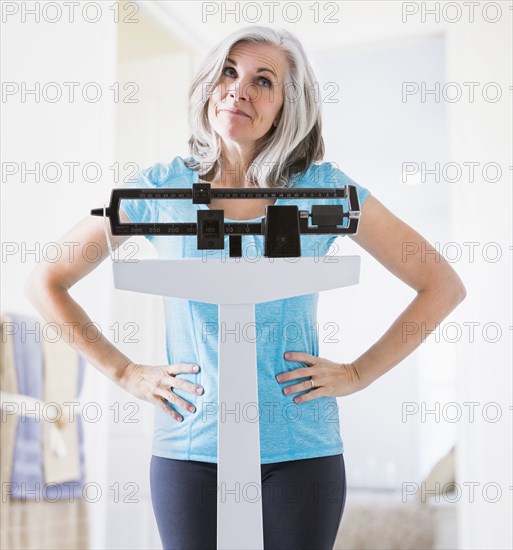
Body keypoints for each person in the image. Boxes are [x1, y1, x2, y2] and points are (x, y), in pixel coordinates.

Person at [25, 26, 466, 550]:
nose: (239, 89)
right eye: (229, 73)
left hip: (300, 448)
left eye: (263, 81)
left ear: (287, 105)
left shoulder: (322, 191)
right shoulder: (161, 188)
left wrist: (357, 373)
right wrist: (124, 371)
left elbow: (441, 284)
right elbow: (45, 281)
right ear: (210, 86)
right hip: (191, 445)